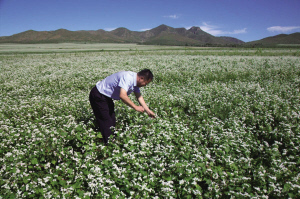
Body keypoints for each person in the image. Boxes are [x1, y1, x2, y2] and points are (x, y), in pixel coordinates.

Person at [89, 69, 155, 144]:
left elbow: (139, 96)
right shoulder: (128, 78)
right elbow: (123, 95)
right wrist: (135, 107)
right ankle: (109, 145)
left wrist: (148, 110)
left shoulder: (135, 81)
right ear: (141, 78)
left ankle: (110, 141)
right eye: (145, 83)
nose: (144, 85)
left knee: (112, 120)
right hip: (98, 95)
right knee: (107, 122)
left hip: (106, 96)